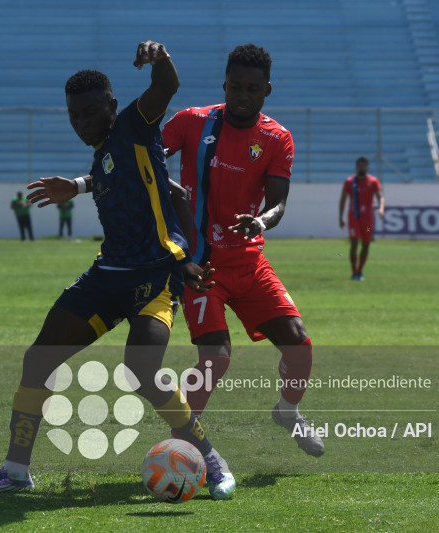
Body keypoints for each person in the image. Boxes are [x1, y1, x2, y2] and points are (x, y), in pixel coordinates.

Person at [0, 41, 235, 500]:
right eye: (75, 117)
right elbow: (133, 179)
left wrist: (160, 58)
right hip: (107, 275)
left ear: (112, 104)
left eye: (91, 112)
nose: (82, 122)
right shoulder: (105, 150)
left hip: (152, 277)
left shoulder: (136, 122)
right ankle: (14, 471)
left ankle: (210, 459)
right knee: (38, 360)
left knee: (142, 369)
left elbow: (167, 87)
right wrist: (77, 184)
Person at [161, 44, 324, 458]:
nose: (243, 95)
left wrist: (262, 221)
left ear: (267, 90)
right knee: (215, 358)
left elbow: (278, 203)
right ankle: (183, 447)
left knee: (299, 345)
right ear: (225, 85)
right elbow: (143, 160)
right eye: (236, 86)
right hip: (201, 266)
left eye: (252, 88)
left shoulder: (276, 137)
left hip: (250, 263)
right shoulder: (190, 122)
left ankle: (288, 411)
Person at [338, 156, 385, 280]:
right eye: (360, 165)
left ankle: (360, 271)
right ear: (356, 166)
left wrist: (381, 208)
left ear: (367, 167)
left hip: (368, 221)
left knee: (366, 244)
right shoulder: (350, 182)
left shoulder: (373, 181)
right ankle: (354, 271)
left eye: (364, 165)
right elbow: (342, 200)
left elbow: (380, 196)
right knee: (354, 243)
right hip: (354, 218)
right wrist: (340, 217)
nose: (362, 167)